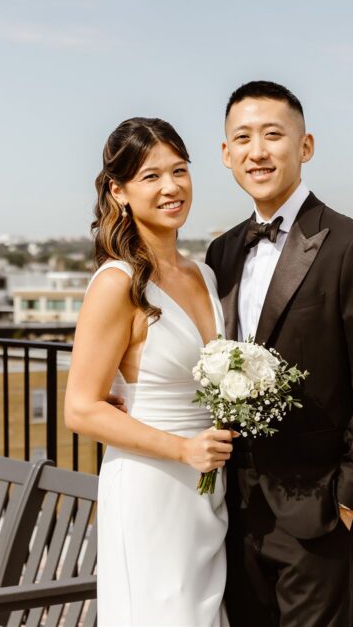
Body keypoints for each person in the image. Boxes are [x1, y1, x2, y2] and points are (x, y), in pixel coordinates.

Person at [205, 81, 353, 627]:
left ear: (306, 146)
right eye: (242, 138)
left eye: (273, 135)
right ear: (225, 153)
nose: (257, 151)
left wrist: (348, 500)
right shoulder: (221, 251)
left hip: (318, 511)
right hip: (234, 508)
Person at [65, 117, 232, 626]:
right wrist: (183, 449)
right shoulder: (116, 283)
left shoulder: (204, 274)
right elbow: (80, 409)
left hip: (209, 490)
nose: (171, 187)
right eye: (151, 176)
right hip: (152, 488)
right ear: (119, 191)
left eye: (179, 170)